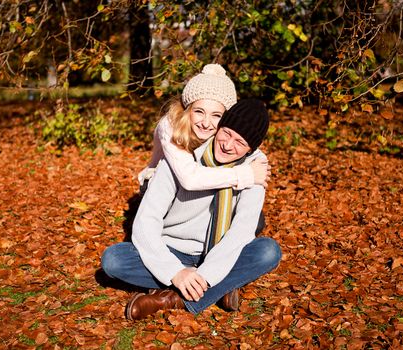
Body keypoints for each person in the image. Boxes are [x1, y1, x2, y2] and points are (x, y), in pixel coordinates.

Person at [101, 99, 282, 320]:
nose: (227, 145)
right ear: (219, 128)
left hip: (219, 252)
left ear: (250, 149)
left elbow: (241, 232)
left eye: (239, 142)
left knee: (268, 252)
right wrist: (175, 272)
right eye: (226, 133)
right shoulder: (182, 158)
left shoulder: (255, 171)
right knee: (113, 260)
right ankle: (221, 288)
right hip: (173, 248)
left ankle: (171, 299)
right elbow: (146, 221)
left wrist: (207, 275)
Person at [138, 63, 269, 193]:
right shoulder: (170, 125)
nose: (206, 123)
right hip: (160, 183)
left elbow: (246, 142)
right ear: (188, 109)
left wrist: (260, 164)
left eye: (216, 115)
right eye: (199, 112)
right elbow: (189, 179)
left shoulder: (223, 130)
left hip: (199, 179)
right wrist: (246, 174)